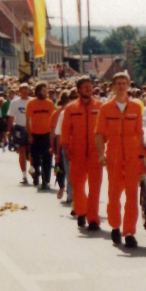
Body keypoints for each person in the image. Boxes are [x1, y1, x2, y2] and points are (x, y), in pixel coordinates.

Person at [95, 72, 145, 248]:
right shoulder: (105, 109)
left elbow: (139, 134)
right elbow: (99, 133)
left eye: (124, 83)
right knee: (114, 194)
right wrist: (101, 153)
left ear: (129, 85)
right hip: (114, 154)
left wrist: (142, 158)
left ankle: (129, 232)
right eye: (119, 83)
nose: (122, 86)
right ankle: (115, 225)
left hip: (132, 155)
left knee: (132, 195)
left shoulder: (136, 108)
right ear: (113, 86)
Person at [61, 76, 104, 231]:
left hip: (95, 151)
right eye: (84, 86)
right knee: (77, 184)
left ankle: (93, 218)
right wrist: (65, 146)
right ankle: (81, 211)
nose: (88, 88)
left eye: (89, 86)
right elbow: (65, 128)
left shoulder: (100, 106)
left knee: (95, 185)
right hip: (76, 150)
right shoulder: (71, 108)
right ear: (78, 89)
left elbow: (105, 128)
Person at [26, 83, 56, 191]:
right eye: (43, 91)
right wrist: (29, 134)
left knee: (47, 159)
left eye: (46, 91)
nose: (45, 93)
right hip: (34, 134)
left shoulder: (49, 103)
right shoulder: (31, 103)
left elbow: (53, 120)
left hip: (46, 134)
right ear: (38, 91)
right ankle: (36, 174)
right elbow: (28, 120)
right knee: (35, 159)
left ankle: (46, 181)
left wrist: (53, 134)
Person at [7, 85, 32, 185]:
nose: (25, 92)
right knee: (21, 151)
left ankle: (33, 169)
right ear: (20, 91)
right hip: (19, 128)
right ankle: (24, 175)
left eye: (27, 90)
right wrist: (9, 131)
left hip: (31, 129)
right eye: (23, 90)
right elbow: (11, 118)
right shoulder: (15, 102)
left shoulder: (32, 101)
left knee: (32, 151)